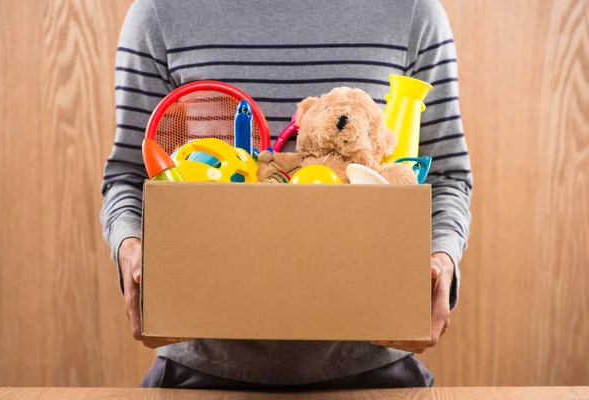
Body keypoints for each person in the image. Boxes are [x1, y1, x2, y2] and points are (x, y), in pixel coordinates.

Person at [100, 0, 472, 390]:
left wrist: (440, 262)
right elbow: (129, 173)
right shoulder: (160, 11)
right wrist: (133, 253)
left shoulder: (413, 11)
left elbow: (445, 176)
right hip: (199, 369)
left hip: (375, 367)